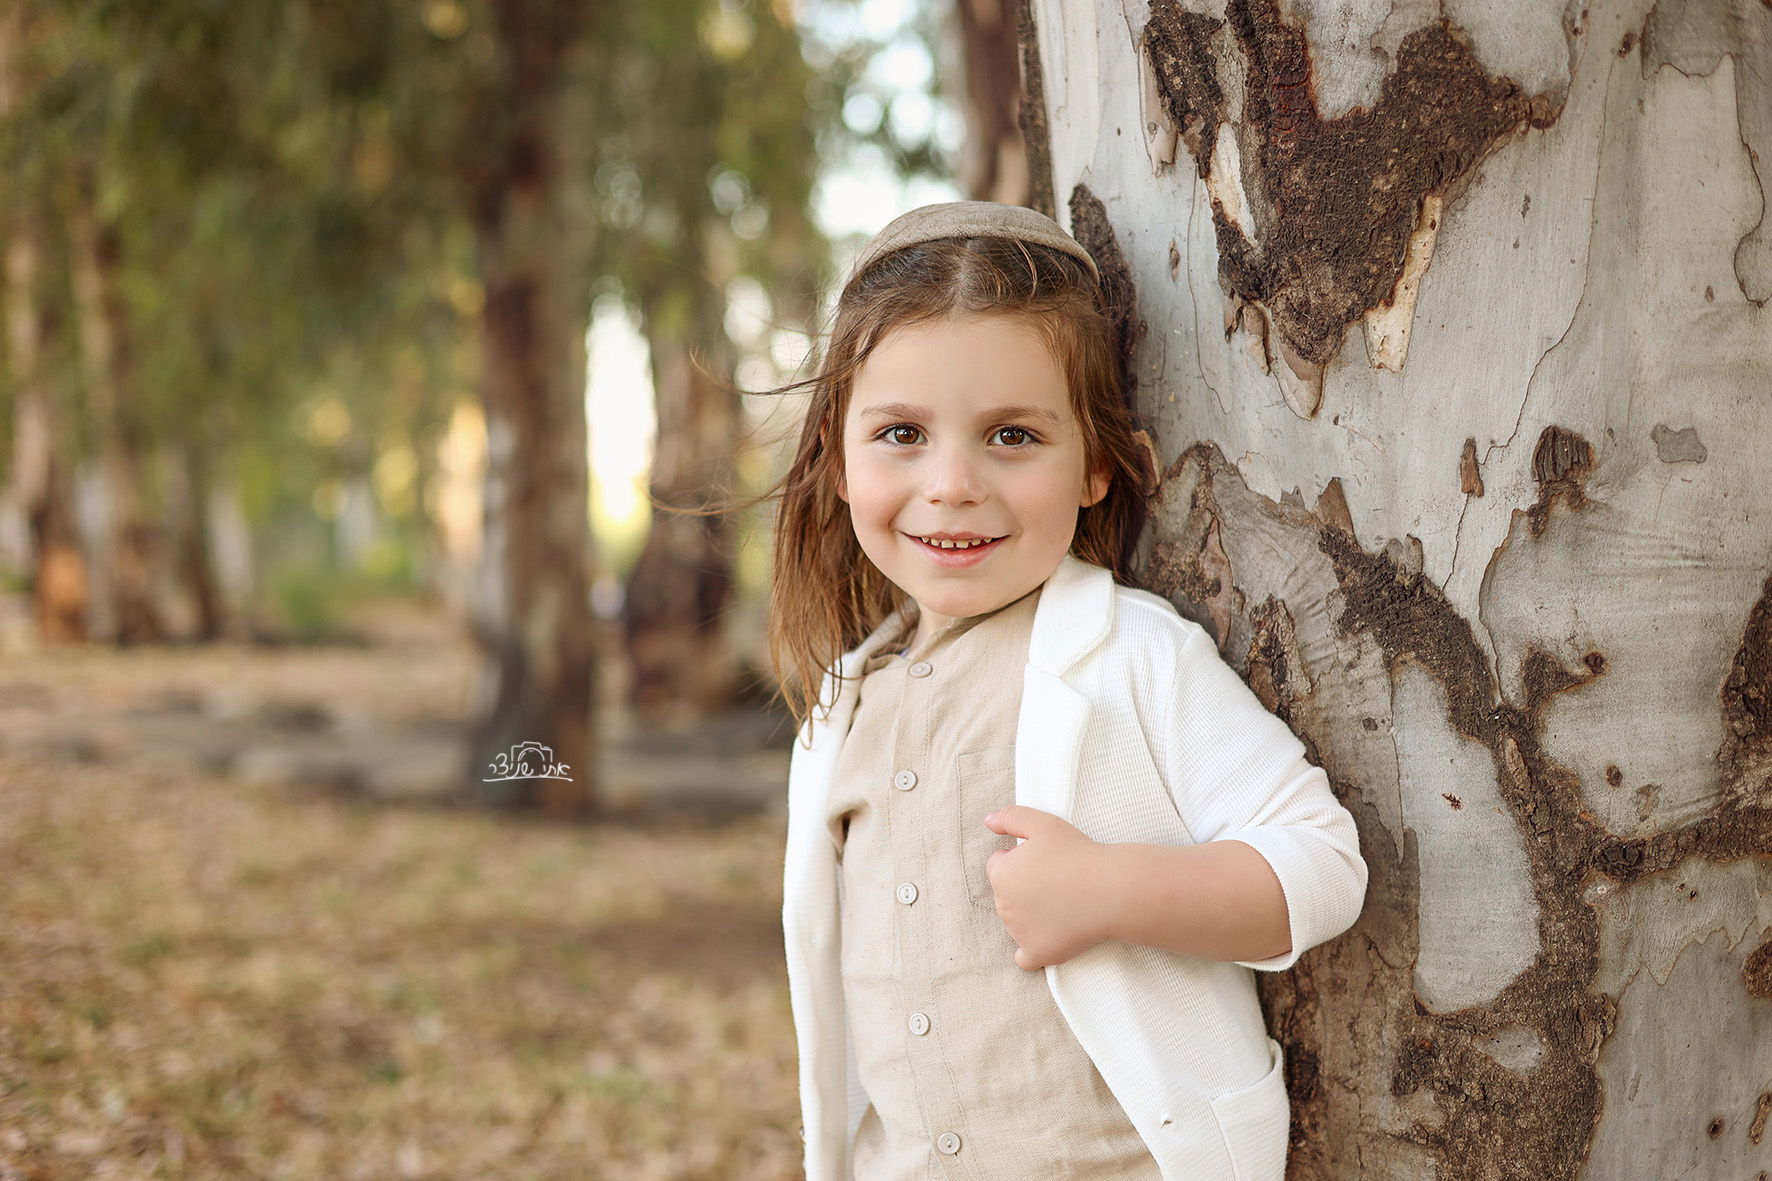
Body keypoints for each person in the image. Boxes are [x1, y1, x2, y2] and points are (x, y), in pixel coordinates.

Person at [767, 201, 1367, 1181]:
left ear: (1095, 462)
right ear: (837, 456)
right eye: (901, 432)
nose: (951, 481)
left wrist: (1107, 889)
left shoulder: (1130, 654)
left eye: (1009, 434)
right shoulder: (844, 702)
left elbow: (1320, 865)